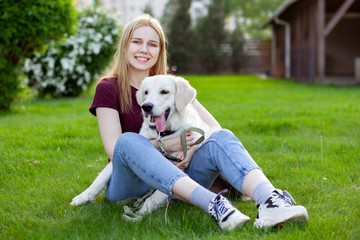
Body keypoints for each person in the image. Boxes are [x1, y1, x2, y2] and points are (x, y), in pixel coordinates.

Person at [89, 14, 308, 230]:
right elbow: (116, 149)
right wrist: (167, 145)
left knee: (221, 137)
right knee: (128, 140)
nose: (144, 49)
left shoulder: (172, 86)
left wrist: (191, 149)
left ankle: (271, 201)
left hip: (178, 180)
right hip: (129, 185)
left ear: (159, 51)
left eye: (152, 44)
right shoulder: (108, 88)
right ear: (125, 45)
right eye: (137, 42)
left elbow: (214, 129)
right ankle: (214, 203)